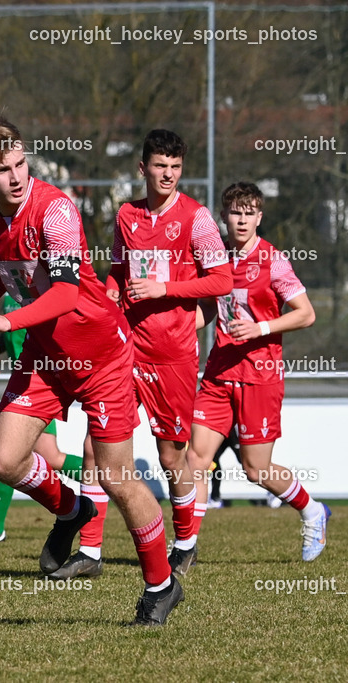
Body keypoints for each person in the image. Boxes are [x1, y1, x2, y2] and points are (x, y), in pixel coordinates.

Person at [0, 116, 180, 626]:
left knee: (119, 479)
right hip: (46, 356)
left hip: (100, 357)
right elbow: (2, 263)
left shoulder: (55, 210)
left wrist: (4, 319)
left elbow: (65, 293)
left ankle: (161, 585)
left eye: (19, 164)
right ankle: (74, 510)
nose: (14, 177)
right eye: (0, 169)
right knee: (3, 461)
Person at [53, 129, 233, 580]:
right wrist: (111, 299)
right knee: (95, 447)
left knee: (172, 456)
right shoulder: (127, 214)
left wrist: (166, 289)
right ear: (143, 168)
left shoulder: (197, 217)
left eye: (175, 167)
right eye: (160, 166)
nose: (167, 174)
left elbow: (223, 281)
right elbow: (117, 271)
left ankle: (186, 541)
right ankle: (90, 552)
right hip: (123, 352)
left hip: (172, 355)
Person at [188, 181, 329, 562]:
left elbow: (306, 313)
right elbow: (211, 310)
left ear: (259, 217)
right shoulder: (215, 259)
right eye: (236, 212)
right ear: (224, 216)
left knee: (255, 469)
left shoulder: (273, 260)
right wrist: (176, 331)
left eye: (250, 213)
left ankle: (312, 510)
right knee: (195, 459)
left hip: (260, 375)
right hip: (218, 373)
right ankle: (185, 547)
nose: (243, 220)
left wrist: (261, 328)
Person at [0, 296, 84, 543]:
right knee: (20, 456)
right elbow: (12, 326)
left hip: (39, 386)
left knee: (17, 455)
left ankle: (104, 479)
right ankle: (103, 480)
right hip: (23, 383)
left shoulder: (42, 286)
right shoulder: (14, 283)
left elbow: (43, 324)